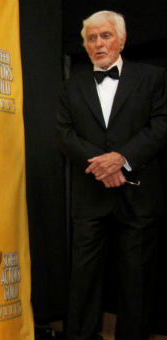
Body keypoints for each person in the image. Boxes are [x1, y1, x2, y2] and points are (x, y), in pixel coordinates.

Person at [56, 10, 167, 340]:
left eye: (105, 36)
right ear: (85, 46)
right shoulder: (70, 86)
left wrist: (123, 159)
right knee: (83, 281)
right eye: (92, 38)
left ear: (122, 39)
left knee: (137, 281)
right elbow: (65, 134)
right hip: (90, 198)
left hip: (139, 196)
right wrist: (104, 167)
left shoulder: (152, 77)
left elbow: (161, 124)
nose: (98, 43)